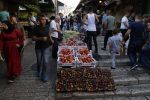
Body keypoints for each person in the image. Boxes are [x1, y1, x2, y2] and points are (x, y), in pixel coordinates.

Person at [0, 19, 24, 83]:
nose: (3, 26)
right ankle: (10, 73)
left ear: (8, 24)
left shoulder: (15, 30)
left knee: (13, 61)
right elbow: (1, 41)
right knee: (8, 61)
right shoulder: (3, 32)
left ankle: (13, 75)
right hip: (7, 48)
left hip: (14, 48)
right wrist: (1, 49)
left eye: (4, 25)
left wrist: (19, 44)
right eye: (2, 25)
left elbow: (21, 37)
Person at [32, 14, 53, 82]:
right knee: (39, 61)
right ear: (39, 20)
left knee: (46, 62)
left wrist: (51, 40)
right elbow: (33, 38)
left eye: (44, 19)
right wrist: (41, 38)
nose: (43, 21)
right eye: (42, 19)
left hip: (46, 47)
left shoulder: (48, 27)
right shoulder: (36, 28)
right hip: (38, 47)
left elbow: (48, 35)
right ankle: (38, 70)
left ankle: (44, 75)